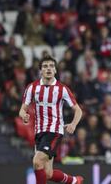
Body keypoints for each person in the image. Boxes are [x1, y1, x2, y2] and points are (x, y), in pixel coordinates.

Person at [19, 55, 83, 184]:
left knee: (37, 161)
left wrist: (74, 124)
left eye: (51, 66)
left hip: (54, 130)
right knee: (47, 173)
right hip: (39, 132)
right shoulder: (32, 87)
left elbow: (78, 110)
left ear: (55, 70)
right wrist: (23, 115)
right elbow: (22, 109)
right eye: (45, 66)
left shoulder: (62, 89)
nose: (48, 69)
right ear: (41, 70)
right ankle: (73, 181)